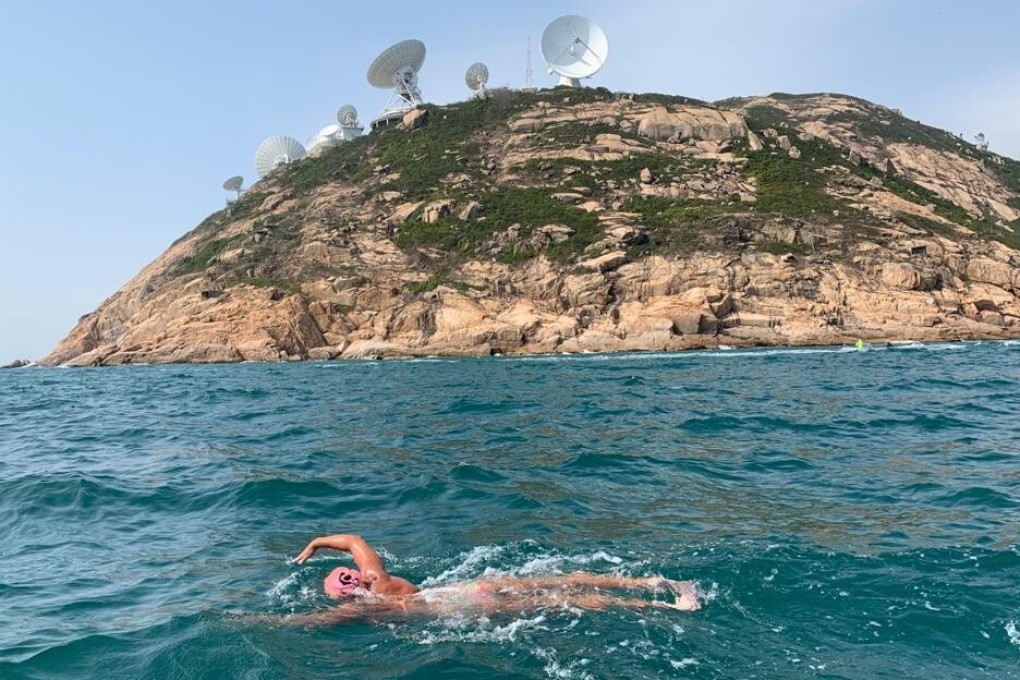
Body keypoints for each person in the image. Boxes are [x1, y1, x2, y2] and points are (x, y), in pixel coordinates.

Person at [285, 534, 700, 626]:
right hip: (466, 587)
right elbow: (354, 540)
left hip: (458, 606)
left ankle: (661, 607)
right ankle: (650, 583)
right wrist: (317, 543)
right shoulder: (378, 578)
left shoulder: (365, 608)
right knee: (564, 578)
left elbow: (309, 624)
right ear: (358, 577)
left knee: (559, 601)